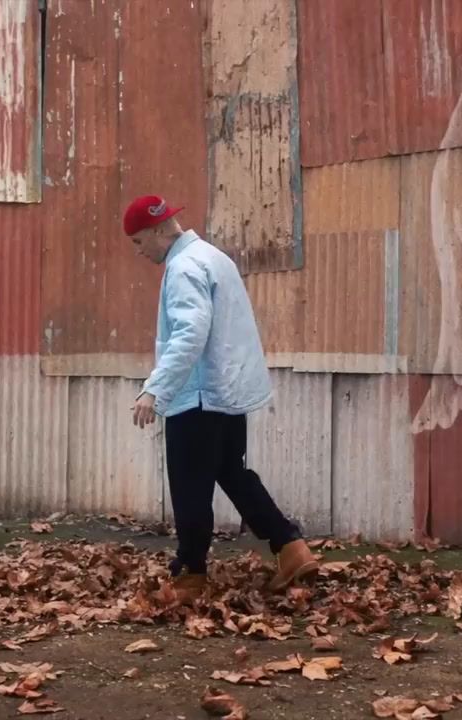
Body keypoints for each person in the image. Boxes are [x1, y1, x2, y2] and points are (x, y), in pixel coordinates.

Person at [123, 194, 319, 602]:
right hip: (226, 391)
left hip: (198, 395)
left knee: (189, 485)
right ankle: (289, 546)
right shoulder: (214, 258)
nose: (139, 251)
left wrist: (155, 388)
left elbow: (190, 332)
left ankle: (190, 575)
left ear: (160, 231)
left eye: (139, 241)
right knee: (232, 473)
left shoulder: (182, 268)